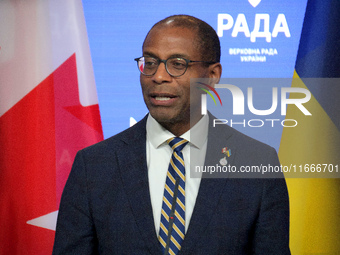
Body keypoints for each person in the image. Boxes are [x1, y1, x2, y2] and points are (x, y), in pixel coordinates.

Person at [53, 15, 290, 254]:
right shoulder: (94, 166)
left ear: (212, 75)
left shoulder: (257, 163)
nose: (158, 76)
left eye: (177, 64)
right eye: (150, 62)